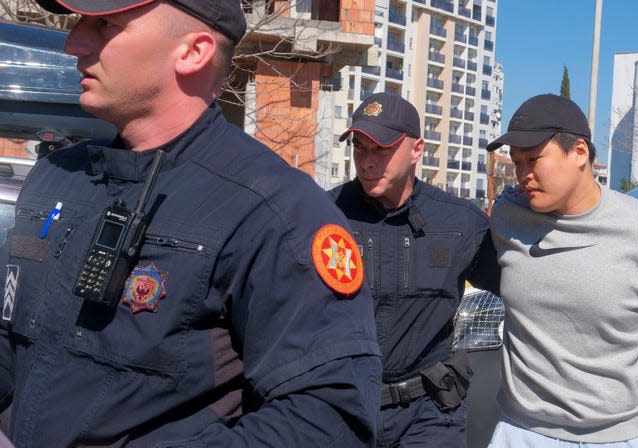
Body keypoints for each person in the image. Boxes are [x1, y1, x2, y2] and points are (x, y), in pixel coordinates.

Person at [0, 1, 382, 446]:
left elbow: (327, 421)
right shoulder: (56, 179)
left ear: (193, 52)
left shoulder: (275, 211)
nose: (73, 43)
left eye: (104, 25)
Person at [484, 94, 638, 448]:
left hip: (612, 439)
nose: (523, 174)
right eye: (516, 162)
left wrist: (621, 360)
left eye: (533, 160)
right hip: (518, 432)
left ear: (579, 153)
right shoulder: (508, 215)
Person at [330, 92, 500, 447]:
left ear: (417, 149)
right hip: (342, 411)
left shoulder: (460, 223)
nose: (367, 161)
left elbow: (527, 293)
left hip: (429, 413)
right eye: (360, 147)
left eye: (381, 149)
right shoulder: (323, 215)